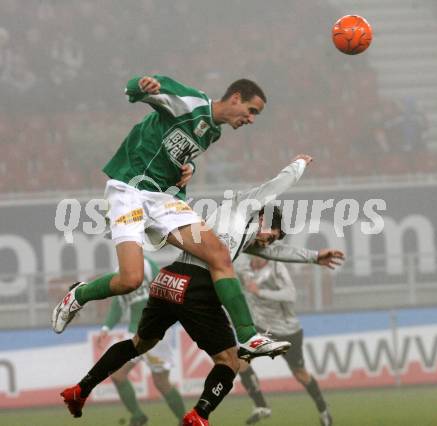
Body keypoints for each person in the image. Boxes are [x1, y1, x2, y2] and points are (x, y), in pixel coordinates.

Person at [60, 154, 330, 425]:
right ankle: (199, 415)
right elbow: (278, 184)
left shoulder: (244, 233)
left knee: (138, 344)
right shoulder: (244, 206)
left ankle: (80, 389)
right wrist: (300, 165)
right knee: (229, 361)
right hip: (196, 287)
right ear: (266, 217)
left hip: (168, 280)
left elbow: (275, 252)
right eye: (272, 234)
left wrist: (313, 256)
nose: (269, 241)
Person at [52, 73, 287, 357]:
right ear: (236, 98)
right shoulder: (190, 103)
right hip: (129, 188)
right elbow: (138, 87)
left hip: (164, 198)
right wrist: (141, 85)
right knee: (130, 280)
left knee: (219, 255)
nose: (251, 119)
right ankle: (78, 295)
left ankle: (249, 337)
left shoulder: (213, 131)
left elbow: (179, 155)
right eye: (252, 111)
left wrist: (189, 169)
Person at [237, 254, 343, 426]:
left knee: (300, 374)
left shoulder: (276, 267)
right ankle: (261, 405)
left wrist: (261, 292)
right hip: (264, 329)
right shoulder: (243, 267)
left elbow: (290, 294)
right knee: (240, 360)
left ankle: (323, 410)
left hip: (288, 331)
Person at [97, 254, 185, 426]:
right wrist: (106, 327)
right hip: (134, 332)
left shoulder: (147, 265)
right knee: (117, 374)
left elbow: (166, 290)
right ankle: (138, 416)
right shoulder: (119, 273)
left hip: (155, 331)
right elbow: (118, 304)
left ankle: (185, 420)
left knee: (160, 381)